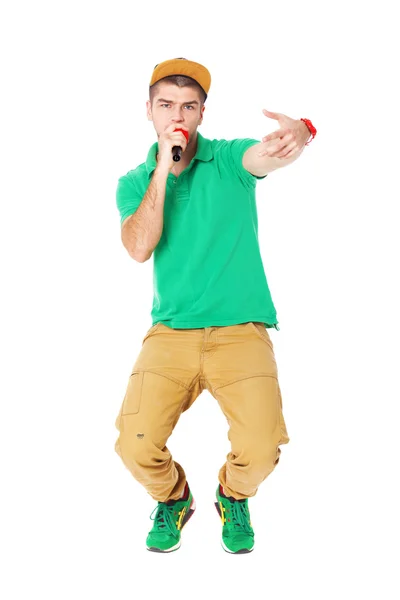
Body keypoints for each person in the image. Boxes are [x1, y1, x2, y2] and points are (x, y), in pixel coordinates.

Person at [114, 58, 317, 554]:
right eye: (166, 105)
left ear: (203, 112)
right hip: (172, 332)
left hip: (240, 331)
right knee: (133, 445)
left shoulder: (228, 160)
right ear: (149, 111)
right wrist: (163, 166)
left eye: (188, 105)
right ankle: (174, 497)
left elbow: (266, 156)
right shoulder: (133, 182)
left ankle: (233, 494)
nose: (176, 115)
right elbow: (139, 247)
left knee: (262, 447)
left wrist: (300, 135)